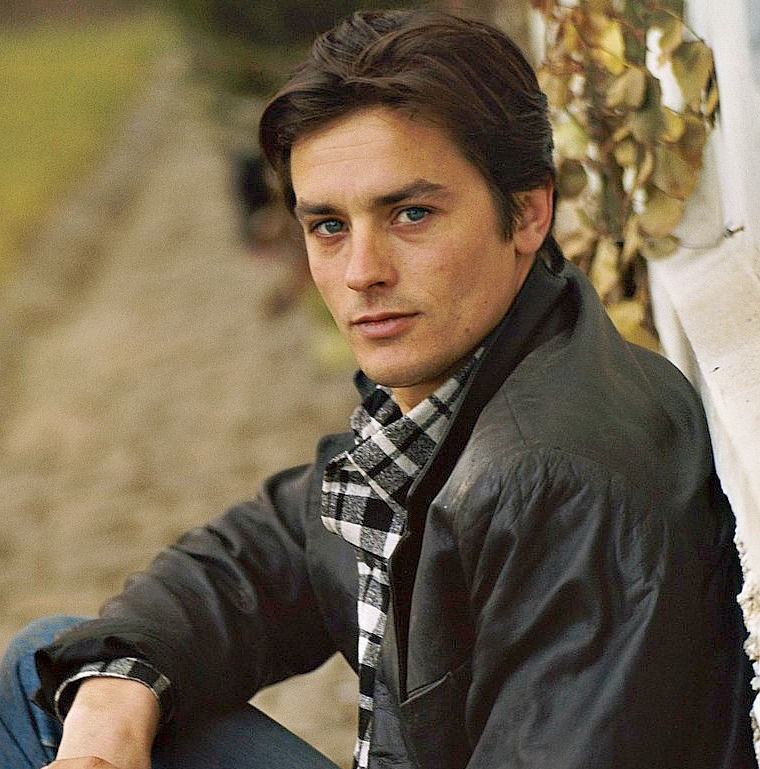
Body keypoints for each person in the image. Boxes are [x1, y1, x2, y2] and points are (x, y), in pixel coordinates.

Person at [0, 8, 754, 769]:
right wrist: (113, 704)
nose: (363, 272)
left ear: (529, 211)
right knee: (67, 676)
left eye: (411, 214)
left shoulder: (554, 481)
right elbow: (272, 550)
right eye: (329, 226)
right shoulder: (477, 382)